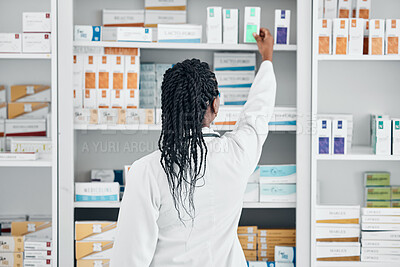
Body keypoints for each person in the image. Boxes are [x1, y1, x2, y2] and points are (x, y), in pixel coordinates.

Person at [111, 28, 276, 267]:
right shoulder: (239, 154)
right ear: (215, 105)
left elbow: (128, 260)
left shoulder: (147, 171)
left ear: (166, 110)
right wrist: (267, 59)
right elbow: (258, 112)